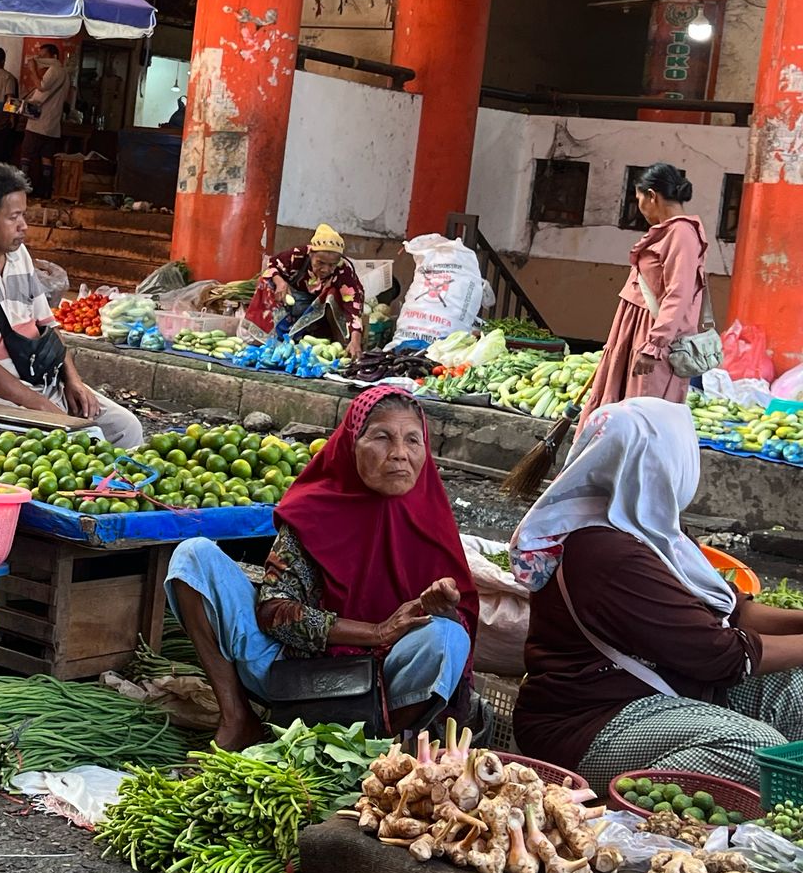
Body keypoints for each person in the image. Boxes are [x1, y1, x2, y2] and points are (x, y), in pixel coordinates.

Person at [512, 398, 803, 789]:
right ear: (660, 464)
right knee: (752, 748)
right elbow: (719, 654)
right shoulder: (606, 551)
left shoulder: (648, 531)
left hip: (660, 695)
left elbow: (733, 613)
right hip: (588, 727)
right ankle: (622, 819)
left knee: (795, 686)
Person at [165, 386, 477, 749]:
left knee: (449, 637)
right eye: (382, 437)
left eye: (413, 440)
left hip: (380, 687)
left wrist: (444, 609)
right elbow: (272, 611)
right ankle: (238, 718)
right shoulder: (316, 508)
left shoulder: (431, 519)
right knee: (193, 556)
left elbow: (454, 637)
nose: (399, 454)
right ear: (351, 442)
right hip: (294, 677)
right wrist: (376, 631)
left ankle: (380, 751)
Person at [0, 162, 143, 448]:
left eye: (23, 216)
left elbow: (48, 328)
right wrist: (44, 408)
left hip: (42, 381)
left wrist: (73, 382)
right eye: (13, 217)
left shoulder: (20, 256)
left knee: (125, 428)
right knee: (71, 443)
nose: (24, 226)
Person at [579, 163, 709, 426]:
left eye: (638, 199)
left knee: (641, 415)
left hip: (653, 337)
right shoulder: (670, 232)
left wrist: (655, 344)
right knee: (622, 411)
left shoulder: (681, 234)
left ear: (652, 196)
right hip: (636, 331)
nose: (639, 206)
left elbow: (678, 293)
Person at [243, 223, 366, 359]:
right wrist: (280, 282)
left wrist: (356, 340)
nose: (325, 269)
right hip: (294, 303)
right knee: (265, 281)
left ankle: (341, 345)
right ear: (311, 254)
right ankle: (265, 340)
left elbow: (353, 305)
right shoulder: (298, 255)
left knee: (333, 294)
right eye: (320, 263)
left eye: (332, 265)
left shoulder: (343, 270)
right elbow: (272, 265)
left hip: (320, 314)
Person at [18, 44, 69, 193]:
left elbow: (42, 87)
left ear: (53, 57)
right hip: (52, 125)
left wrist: (33, 70)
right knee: (46, 156)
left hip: (39, 123)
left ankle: (22, 187)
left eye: (43, 56)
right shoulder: (63, 73)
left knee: (26, 153)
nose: (40, 59)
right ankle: (45, 189)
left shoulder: (55, 70)